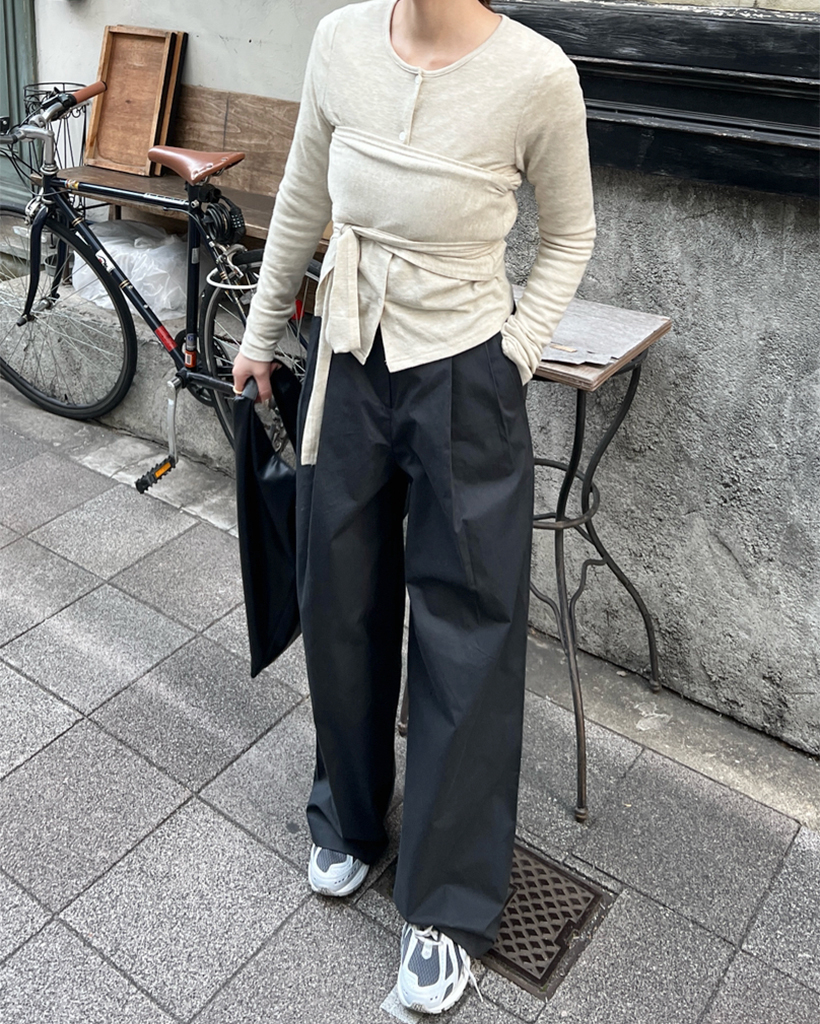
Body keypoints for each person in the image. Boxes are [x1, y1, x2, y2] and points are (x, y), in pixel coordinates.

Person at [232, 0, 595, 1013]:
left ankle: (446, 904)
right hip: (347, 355)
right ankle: (350, 816)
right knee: (339, 598)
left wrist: (515, 352)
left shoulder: (536, 74)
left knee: (466, 631)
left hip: (466, 372)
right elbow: (304, 188)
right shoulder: (340, 41)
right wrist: (260, 333)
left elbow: (571, 234)